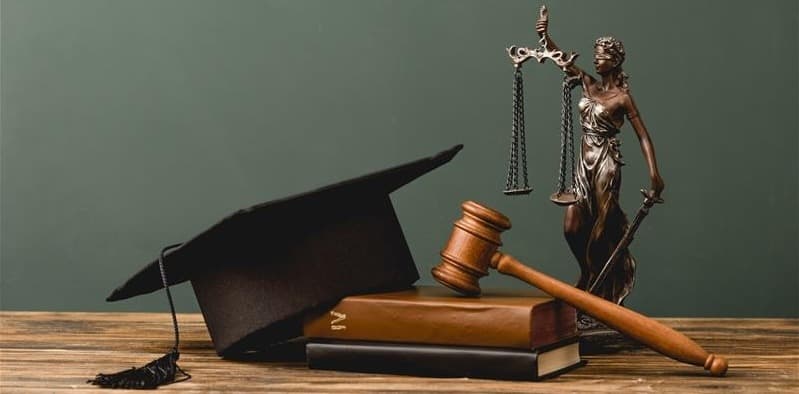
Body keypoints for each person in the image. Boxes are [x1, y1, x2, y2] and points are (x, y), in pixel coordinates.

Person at [535, 13, 665, 305]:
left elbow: (643, 135)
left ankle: (597, 289)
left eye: (602, 55)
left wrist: (654, 174)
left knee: (600, 231)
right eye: (594, 55)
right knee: (571, 227)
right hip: (584, 162)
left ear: (616, 60)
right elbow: (561, 61)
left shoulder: (622, 98)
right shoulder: (587, 83)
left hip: (606, 161)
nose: (596, 60)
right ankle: (588, 273)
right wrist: (545, 36)